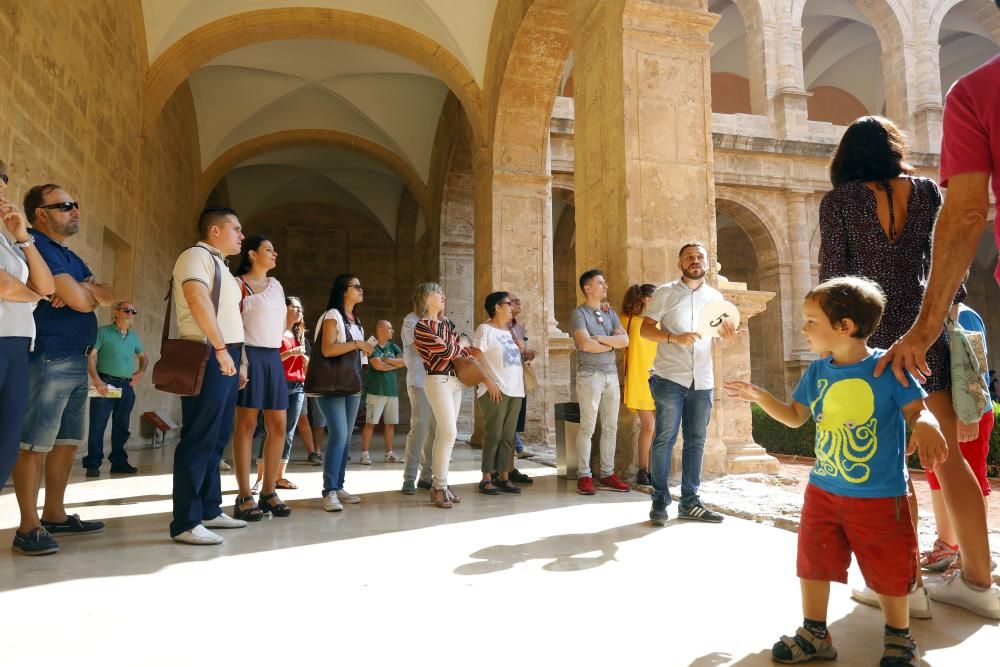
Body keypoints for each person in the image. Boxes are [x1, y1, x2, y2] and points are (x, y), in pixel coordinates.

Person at [821, 115, 999, 618]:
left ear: (847, 157)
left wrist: (835, 346)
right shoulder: (926, 193)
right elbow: (950, 263)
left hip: (873, 335)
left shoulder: (840, 202)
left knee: (891, 466)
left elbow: (835, 281)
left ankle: (905, 588)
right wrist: (937, 317)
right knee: (953, 462)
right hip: (927, 328)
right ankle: (979, 585)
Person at [725, 276, 947, 667]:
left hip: (880, 496)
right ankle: (814, 632)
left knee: (891, 566)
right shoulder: (817, 372)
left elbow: (918, 410)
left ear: (844, 326)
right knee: (814, 561)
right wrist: (760, 396)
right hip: (823, 491)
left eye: (811, 321)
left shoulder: (887, 368)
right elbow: (795, 418)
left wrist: (927, 425)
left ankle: (899, 638)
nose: (803, 328)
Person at [12, 184, 114, 556]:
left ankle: (54, 513)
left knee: (67, 442)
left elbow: (107, 293)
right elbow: (82, 300)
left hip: (77, 357)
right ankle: (28, 525)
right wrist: (82, 293)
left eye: (77, 204)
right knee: (35, 444)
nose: (76, 211)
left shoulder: (67, 255)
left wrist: (85, 292)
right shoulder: (35, 246)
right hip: (50, 356)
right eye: (66, 206)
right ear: (41, 213)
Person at [168, 207, 248, 545]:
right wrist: (219, 349)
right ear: (214, 231)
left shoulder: (222, 267)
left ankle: (209, 509)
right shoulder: (195, 256)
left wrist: (238, 359)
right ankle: (186, 521)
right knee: (199, 436)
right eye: (236, 229)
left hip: (225, 353)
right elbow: (196, 299)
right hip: (207, 353)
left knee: (216, 438)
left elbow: (229, 315)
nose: (242, 236)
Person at [641, 243, 735, 522]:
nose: (695, 261)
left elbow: (719, 338)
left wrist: (728, 339)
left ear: (707, 262)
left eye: (700, 257)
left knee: (696, 441)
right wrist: (673, 338)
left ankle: (690, 503)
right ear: (680, 263)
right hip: (669, 376)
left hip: (703, 380)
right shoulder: (665, 292)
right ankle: (659, 502)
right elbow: (646, 329)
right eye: (689, 257)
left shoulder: (716, 298)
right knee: (664, 440)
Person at [919, 302, 994, 572]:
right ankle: (947, 545)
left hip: (967, 413)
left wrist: (968, 416)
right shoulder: (930, 312)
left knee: (972, 476)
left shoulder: (966, 316)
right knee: (938, 476)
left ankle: (973, 551)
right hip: (940, 413)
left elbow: (976, 367)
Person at [414, 282, 495, 508]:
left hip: (456, 381)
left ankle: (442, 483)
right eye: (438, 293)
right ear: (426, 298)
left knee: (445, 434)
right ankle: (438, 486)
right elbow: (450, 350)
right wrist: (457, 346)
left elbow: (464, 348)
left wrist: (457, 346)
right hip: (437, 379)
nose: (443, 297)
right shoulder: (422, 326)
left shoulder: (446, 323)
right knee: (449, 432)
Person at [0, 164, 54, 497]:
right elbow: (5, 286)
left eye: (2, 187)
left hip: (18, 345)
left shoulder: (7, 241)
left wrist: (22, 236)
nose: (1, 194)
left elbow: (45, 283)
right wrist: (36, 295)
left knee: (7, 439)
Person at [230, 236, 291, 520]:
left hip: (272, 357)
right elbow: (233, 326)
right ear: (253, 254)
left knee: (278, 424)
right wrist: (241, 363)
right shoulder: (237, 284)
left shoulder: (277, 285)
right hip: (249, 355)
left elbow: (279, 326)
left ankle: (268, 490)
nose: (275, 252)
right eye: (269, 249)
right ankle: (244, 494)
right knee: (246, 424)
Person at [315, 274, 374, 512]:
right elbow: (328, 349)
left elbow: (354, 355)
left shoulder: (356, 320)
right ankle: (329, 490)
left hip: (351, 384)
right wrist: (358, 345)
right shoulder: (332, 315)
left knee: (347, 437)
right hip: (331, 385)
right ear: (343, 291)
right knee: (339, 434)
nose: (361, 290)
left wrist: (366, 348)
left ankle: (338, 486)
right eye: (356, 287)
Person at [570, 269, 630, 495]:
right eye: (601, 283)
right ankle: (584, 475)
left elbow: (625, 340)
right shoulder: (579, 314)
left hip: (611, 376)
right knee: (587, 426)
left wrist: (603, 340)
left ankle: (607, 473)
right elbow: (585, 345)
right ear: (588, 288)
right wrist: (612, 343)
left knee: (611, 427)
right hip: (589, 375)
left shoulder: (610, 313)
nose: (605, 287)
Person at [83, 301, 146, 476]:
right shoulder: (103, 332)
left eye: (134, 311)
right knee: (97, 425)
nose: (130, 313)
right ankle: (93, 464)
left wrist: (140, 372)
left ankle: (119, 462)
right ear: (116, 312)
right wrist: (96, 379)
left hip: (126, 386)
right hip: (106, 383)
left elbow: (143, 357)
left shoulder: (133, 337)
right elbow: (91, 356)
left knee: (122, 427)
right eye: (126, 310)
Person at [473, 292, 525, 495]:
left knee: (508, 437)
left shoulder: (510, 330)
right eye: (508, 303)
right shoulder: (485, 330)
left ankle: (504, 475)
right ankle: (486, 477)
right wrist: (488, 382)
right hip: (495, 390)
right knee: (493, 434)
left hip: (515, 390)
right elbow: (474, 358)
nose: (512, 306)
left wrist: (523, 349)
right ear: (497, 307)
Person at [622, 283, 656, 486]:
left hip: (660, 377)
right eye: (654, 298)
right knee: (648, 425)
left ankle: (655, 470)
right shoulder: (628, 320)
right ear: (644, 298)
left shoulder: (659, 322)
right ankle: (642, 469)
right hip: (639, 379)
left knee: (660, 429)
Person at [400, 300, 436, 495]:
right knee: (420, 427)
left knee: (435, 429)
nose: (443, 300)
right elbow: (424, 346)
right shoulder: (411, 320)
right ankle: (409, 477)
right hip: (420, 380)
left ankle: (426, 476)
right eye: (438, 296)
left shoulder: (442, 321)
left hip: (440, 383)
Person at [360, 320, 405, 465]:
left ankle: (389, 454)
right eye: (389, 328)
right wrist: (393, 364)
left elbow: (404, 362)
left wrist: (388, 361)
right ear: (380, 330)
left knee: (390, 424)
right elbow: (378, 365)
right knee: (370, 423)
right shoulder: (372, 346)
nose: (392, 331)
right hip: (376, 391)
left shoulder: (394, 346)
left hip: (392, 392)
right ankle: (364, 454)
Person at [505, 292, 535, 485]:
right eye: (513, 301)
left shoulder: (518, 326)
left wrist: (527, 353)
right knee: (504, 429)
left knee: (514, 427)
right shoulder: (496, 327)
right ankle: (500, 470)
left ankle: (510, 468)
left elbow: (521, 352)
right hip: (505, 382)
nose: (518, 303)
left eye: (518, 299)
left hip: (518, 381)